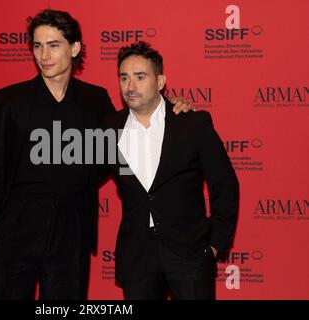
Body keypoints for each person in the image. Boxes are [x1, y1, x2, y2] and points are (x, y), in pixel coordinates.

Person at [0, 9, 192, 300]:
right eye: (37, 46)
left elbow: (127, 135)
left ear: (74, 48)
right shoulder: (5, 103)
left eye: (53, 45)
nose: (44, 55)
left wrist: (172, 106)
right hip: (14, 224)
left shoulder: (95, 100)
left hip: (71, 227)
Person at [100, 41, 239, 300]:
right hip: (138, 257)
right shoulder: (109, 128)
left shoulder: (192, 123)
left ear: (161, 81)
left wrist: (215, 245)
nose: (130, 86)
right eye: (124, 77)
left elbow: (225, 183)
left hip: (190, 254)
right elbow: (83, 177)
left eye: (140, 77)